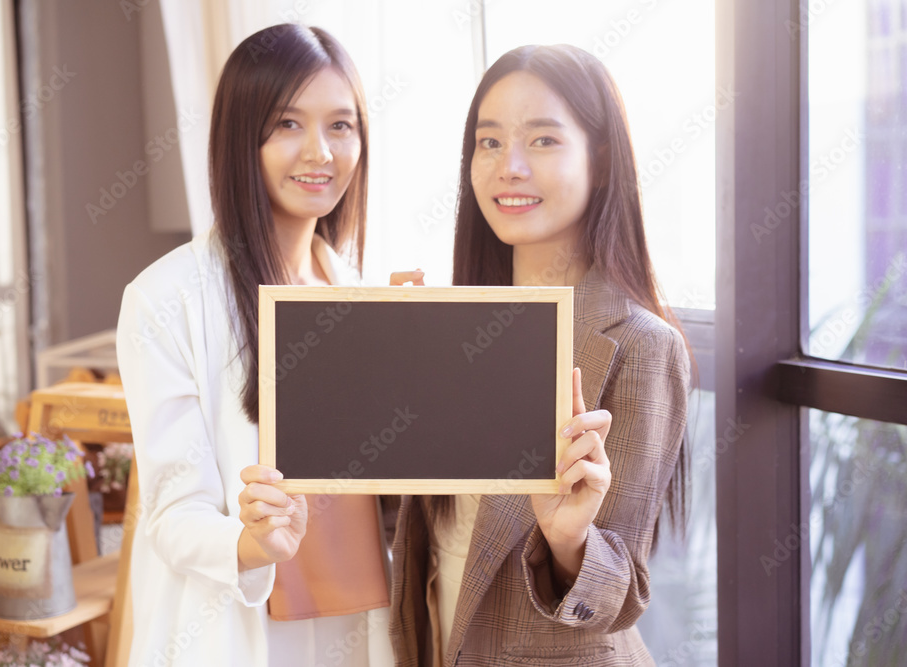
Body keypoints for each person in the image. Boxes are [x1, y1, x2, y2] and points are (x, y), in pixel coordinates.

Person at [388, 44, 691, 665]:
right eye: (490, 142)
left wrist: (567, 536)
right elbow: (423, 528)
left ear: (601, 161)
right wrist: (388, 367)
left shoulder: (640, 345)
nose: (509, 167)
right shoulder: (453, 329)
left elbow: (618, 599)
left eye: (544, 141)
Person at [116, 24, 393, 667]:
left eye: (341, 126)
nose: (319, 152)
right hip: (239, 628)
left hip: (354, 621)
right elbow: (172, 514)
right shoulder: (167, 297)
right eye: (288, 124)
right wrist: (252, 542)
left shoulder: (357, 293)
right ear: (243, 138)